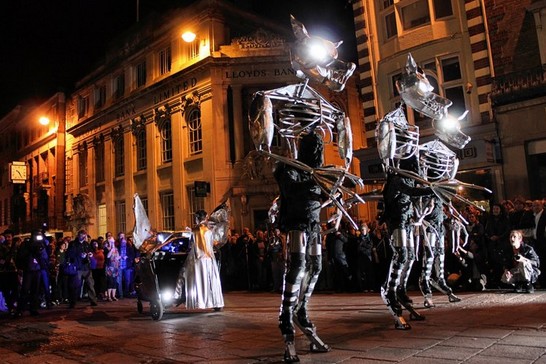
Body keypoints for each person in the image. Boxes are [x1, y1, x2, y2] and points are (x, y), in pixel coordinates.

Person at [275, 132, 330, 362]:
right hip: (297, 223)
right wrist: (314, 179)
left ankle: (302, 308)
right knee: (297, 267)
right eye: (314, 147)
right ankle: (286, 315)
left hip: (314, 225)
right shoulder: (290, 168)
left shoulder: (317, 172)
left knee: (315, 267)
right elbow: (291, 190)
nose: (318, 152)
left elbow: (324, 196)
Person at [184, 209, 224, 310]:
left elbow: (190, 243)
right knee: (212, 280)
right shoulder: (208, 229)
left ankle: (201, 301)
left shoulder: (195, 229)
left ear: (198, 218)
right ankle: (215, 302)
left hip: (199, 258)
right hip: (209, 258)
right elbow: (213, 242)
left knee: (198, 279)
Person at [15, 230, 49, 316]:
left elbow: (45, 256)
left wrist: (41, 250)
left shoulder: (41, 245)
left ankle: (33, 309)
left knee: (35, 290)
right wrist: (31, 250)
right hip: (28, 269)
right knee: (25, 290)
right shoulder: (26, 244)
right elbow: (21, 256)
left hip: (37, 270)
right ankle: (20, 309)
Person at [65, 229, 98, 308]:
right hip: (78, 267)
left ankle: (93, 300)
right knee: (76, 286)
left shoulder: (86, 244)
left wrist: (90, 254)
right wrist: (80, 255)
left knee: (90, 284)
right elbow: (70, 254)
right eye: (82, 235)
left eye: (84, 235)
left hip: (86, 267)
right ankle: (73, 302)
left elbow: (90, 251)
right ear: (78, 235)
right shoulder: (73, 244)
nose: (83, 237)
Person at [484, 203, 511, 288]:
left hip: (502, 244)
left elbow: (507, 230)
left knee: (503, 263)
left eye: (497, 209)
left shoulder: (505, 219)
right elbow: (486, 231)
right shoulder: (489, 220)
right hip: (493, 245)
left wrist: (499, 237)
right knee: (495, 264)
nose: (495, 211)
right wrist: (490, 237)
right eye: (494, 209)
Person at [0, 229, 19, 316]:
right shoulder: (1, 247)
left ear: (12, 237)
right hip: (4, 271)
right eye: (6, 237)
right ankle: (11, 308)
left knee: (16, 289)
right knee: (6, 290)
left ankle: (11, 304)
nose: (7, 238)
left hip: (14, 271)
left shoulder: (15, 246)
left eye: (9, 237)